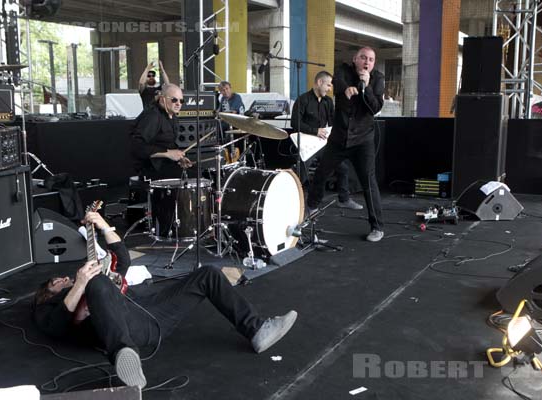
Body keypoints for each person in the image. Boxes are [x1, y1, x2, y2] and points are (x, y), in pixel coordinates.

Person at [33, 211, 298, 389]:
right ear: (52, 287)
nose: (66, 278)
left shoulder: (96, 278)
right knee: (99, 283)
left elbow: (122, 258)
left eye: (67, 278)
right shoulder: (51, 304)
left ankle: (256, 329)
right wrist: (80, 284)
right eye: (60, 280)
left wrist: (101, 225)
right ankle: (125, 356)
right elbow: (55, 326)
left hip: (152, 314)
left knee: (208, 274)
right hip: (122, 330)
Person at [307, 47, 385, 242]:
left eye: (371, 59)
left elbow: (375, 107)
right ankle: (311, 208)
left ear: (373, 64)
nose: (367, 62)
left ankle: (377, 227)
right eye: (363, 58)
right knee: (321, 173)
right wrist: (346, 89)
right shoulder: (343, 71)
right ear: (355, 59)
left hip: (363, 139)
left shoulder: (378, 79)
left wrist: (365, 88)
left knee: (369, 182)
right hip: (339, 138)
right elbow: (337, 81)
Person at [291, 70, 363, 210]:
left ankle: (344, 199)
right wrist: (315, 131)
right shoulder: (303, 99)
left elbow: (332, 122)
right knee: (301, 176)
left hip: (323, 144)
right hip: (307, 145)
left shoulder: (328, 102)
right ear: (319, 82)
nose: (330, 89)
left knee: (343, 168)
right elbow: (295, 123)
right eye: (328, 85)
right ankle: (294, 202)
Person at [130, 83, 192, 180]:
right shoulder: (153, 116)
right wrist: (167, 153)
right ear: (163, 99)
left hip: (165, 163)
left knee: (199, 171)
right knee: (194, 176)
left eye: (181, 100)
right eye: (174, 100)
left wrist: (180, 158)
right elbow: (137, 147)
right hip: (151, 167)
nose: (178, 103)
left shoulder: (173, 116)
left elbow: (169, 145)